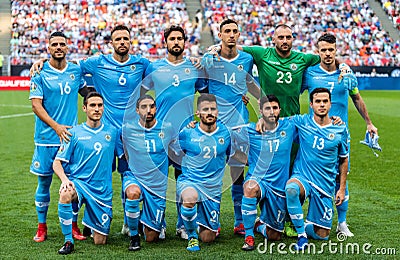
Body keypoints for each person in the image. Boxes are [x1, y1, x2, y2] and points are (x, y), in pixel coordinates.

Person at [301, 33, 378, 237]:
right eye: (323, 50)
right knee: (312, 177)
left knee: (341, 177)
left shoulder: (347, 74)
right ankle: (310, 218)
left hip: (340, 135)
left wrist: (369, 123)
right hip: (315, 136)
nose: (327, 53)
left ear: (336, 50)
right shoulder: (310, 73)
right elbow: (293, 93)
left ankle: (342, 223)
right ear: (318, 51)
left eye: (331, 50)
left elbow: (357, 98)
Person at [140, 24, 206, 239]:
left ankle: (181, 224)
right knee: (158, 179)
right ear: (165, 42)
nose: (176, 42)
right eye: (172, 38)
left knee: (183, 178)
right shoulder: (154, 67)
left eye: (180, 38)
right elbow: (140, 94)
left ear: (184, 42)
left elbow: (206, 95)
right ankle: (157, 223)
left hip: (186, 132)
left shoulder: (195, 67)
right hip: (159, 132)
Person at [29, 31, 87, 243]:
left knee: (71, 185)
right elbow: (36, 105)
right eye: (55, 44)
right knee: (44, 183)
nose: (59, 47)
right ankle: (42, 227)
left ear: (67, 47)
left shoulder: (75, 70)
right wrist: (56, 127)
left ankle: (73, 225)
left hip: (70, 140)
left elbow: (87, 94)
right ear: (48, 48)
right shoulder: (39, 72)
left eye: (62, 44)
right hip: (45, 139)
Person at [203, 18, 260, 236]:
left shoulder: (246, 59)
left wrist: (262, 104)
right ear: (220, 34)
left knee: (237, 174)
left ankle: (239, 221)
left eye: (235, 31)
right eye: (227, 31)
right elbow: (201, 83)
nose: (231, 34)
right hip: (215, 127)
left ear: (238, 34)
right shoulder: (210, 59)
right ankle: (213, 222)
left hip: (239, 126)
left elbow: (248, 83)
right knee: (215, 176)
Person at [53, 92, 118, 255]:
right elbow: (57, 162)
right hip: (79, 184)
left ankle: (89, 222)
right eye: (92, 105)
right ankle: (68, 241)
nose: (97, 109)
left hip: (102, 191)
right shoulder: (73, 132)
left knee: (100, 242)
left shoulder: (113, 132)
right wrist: (64, 180)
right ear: (84, 108)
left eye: (100, 105)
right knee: (65, 193)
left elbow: (125, 155)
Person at [285, 88, 349, 250]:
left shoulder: (340, 129)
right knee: (292, 189)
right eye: (318, 101)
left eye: (325, 101)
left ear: (330, 104)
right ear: (311, 104)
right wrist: (262, 120)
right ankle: (301, 235)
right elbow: (276, 121)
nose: (322, 105)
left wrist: (341, 189)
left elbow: (343, 160)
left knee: (322, 235)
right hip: (303, 177)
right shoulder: (301, 121)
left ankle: (302, 223)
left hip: (325, 185)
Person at [236, 95, 295, 251]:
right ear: (260, 110)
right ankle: (249, 237)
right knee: (249, 188)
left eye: (275, 108)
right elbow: (223, 132)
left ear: (280, 110)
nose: (271, 112)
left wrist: (335, 119)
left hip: (279, 187)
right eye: (267, 108)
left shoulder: (289, 126)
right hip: (259, 180)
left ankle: (257, 225)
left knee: (274, 236)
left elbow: (313, 120)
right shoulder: (249, 129)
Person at [176, 94, 232, 251]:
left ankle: (202, 223)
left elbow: (230, 156)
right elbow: (174, 154)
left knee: (208, 238)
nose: (209, 112)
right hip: (190, 181)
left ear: (218, 112)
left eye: (213, 109)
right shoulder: (187, 133)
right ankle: (192, 236)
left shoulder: (226, 134)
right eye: (205, 109)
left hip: (212, 188)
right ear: (198, 113)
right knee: (190, 197)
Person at [121, 95, 177, 251]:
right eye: (144, 107)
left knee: (152, 238)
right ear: (137, 110)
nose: (148, 110)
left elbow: (176, 149)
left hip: (157, 185)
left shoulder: (167, 128)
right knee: (132, 193)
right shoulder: (127, 129)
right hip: (135, 178)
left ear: (156, 109)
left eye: (151, 106)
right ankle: (133, 236)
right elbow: (123, 150)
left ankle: (140, 220)